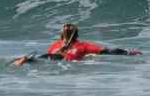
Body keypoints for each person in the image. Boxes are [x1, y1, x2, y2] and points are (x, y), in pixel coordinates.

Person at [12, 23, 142, 66]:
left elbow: (50, 55)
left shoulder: (54, 45)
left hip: (51, 60)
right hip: (63, 63)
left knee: (45, 58)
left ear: (61, 35)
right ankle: (29, 60)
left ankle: (28, 60)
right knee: (54, 58)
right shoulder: (84, 46)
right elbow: (108, 51)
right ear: (77, 36)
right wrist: (127, 52)